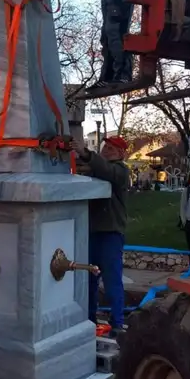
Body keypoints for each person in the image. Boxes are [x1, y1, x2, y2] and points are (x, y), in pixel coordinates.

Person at [73, 135, 129, 336]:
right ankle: (89, 319)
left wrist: (87, 154)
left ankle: (117, 323)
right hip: (92, 232)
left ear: (121, 153)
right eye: (105, 146)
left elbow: (108, 171)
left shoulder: (121, 170)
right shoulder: (98, 168)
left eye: (111, 148)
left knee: (112, 280)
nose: (106, 150)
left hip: (110, 234)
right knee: (88, 280)